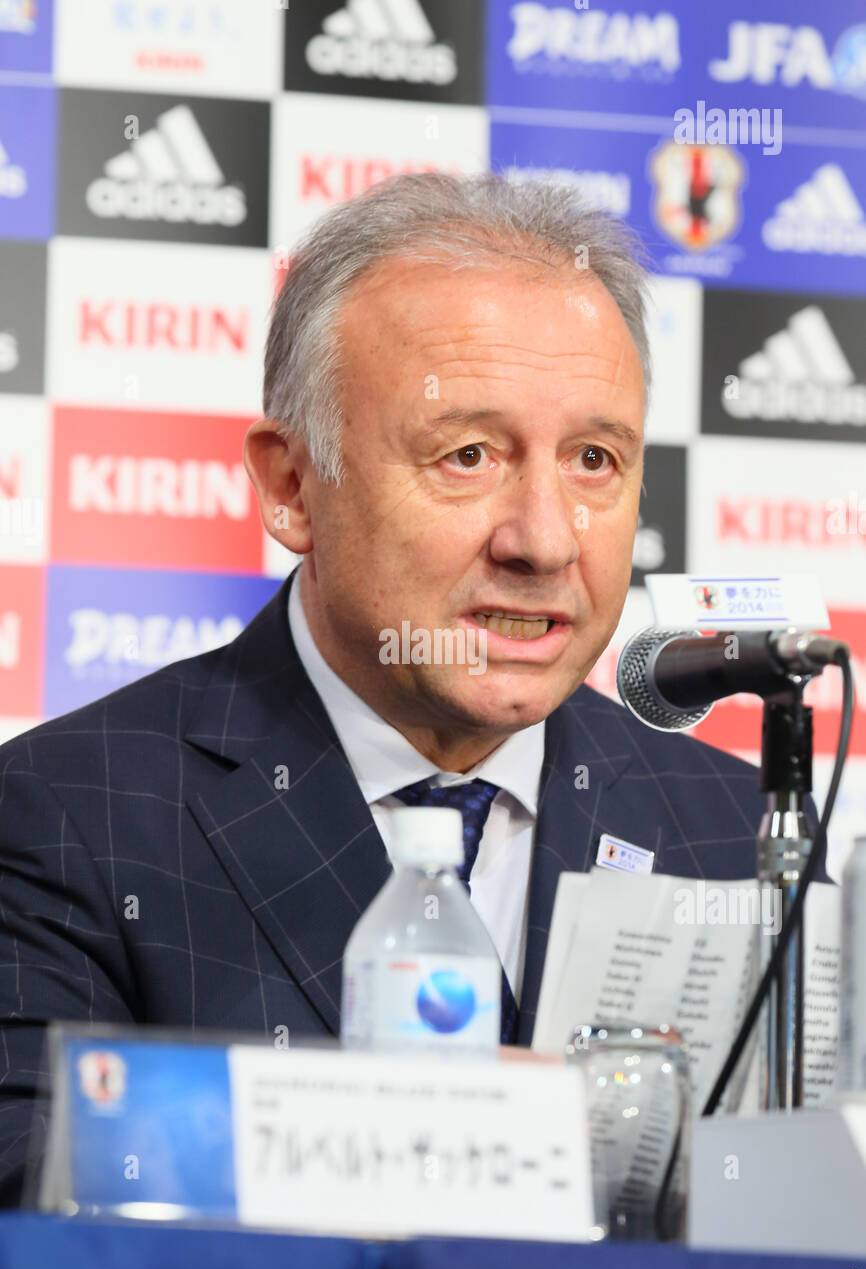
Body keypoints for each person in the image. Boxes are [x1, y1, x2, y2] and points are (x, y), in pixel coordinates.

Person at [0, 173, 772, 1206]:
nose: (542, 539)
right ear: (289, 484)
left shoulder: (737, 833)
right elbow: (47, 1230)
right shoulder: (68, 816)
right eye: (467, 455)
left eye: (593, 459)